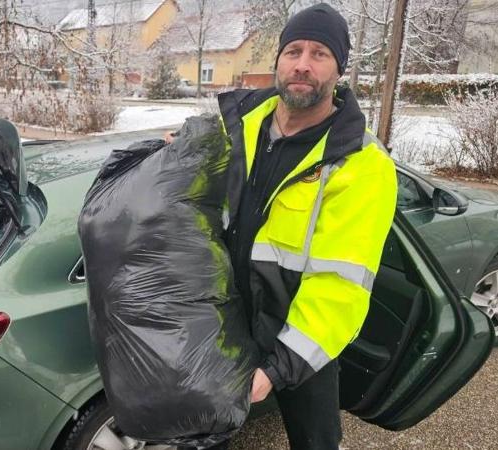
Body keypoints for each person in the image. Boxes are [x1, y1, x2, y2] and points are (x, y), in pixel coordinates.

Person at [170, 3, 397, 449]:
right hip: (226, 321)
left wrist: (280, 367)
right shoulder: (239, 124)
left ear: (339, 70)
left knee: (315, 440)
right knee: (205, 432)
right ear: (277, 60)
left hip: (294, 337)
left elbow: (340, 286)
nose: (303, 65)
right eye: (293, 50)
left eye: (320, 54)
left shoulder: (361, 165)